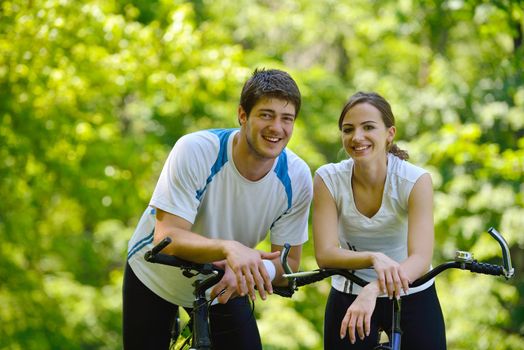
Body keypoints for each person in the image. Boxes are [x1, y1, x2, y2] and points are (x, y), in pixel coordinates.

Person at [122, 68, 313, 350]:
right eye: (266, 115)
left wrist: (254, 269)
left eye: (287, 119)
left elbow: (288, 264)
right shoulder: (196, 150)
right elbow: (167, 238)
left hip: (223, 282)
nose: (277, 127)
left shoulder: (296, 177)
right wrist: (230, 249)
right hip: (154, 274)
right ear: (242, 115)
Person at [313, 91, 446, 349]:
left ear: (389, 133)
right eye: (348, 129)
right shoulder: (328, 179)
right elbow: (325, 254)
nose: (357, 137)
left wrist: (374, 289)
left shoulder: (415, 181)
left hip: (412, 291)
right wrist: (373, 257)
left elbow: (420, 258)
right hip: (350, 292)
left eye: (368, 127)